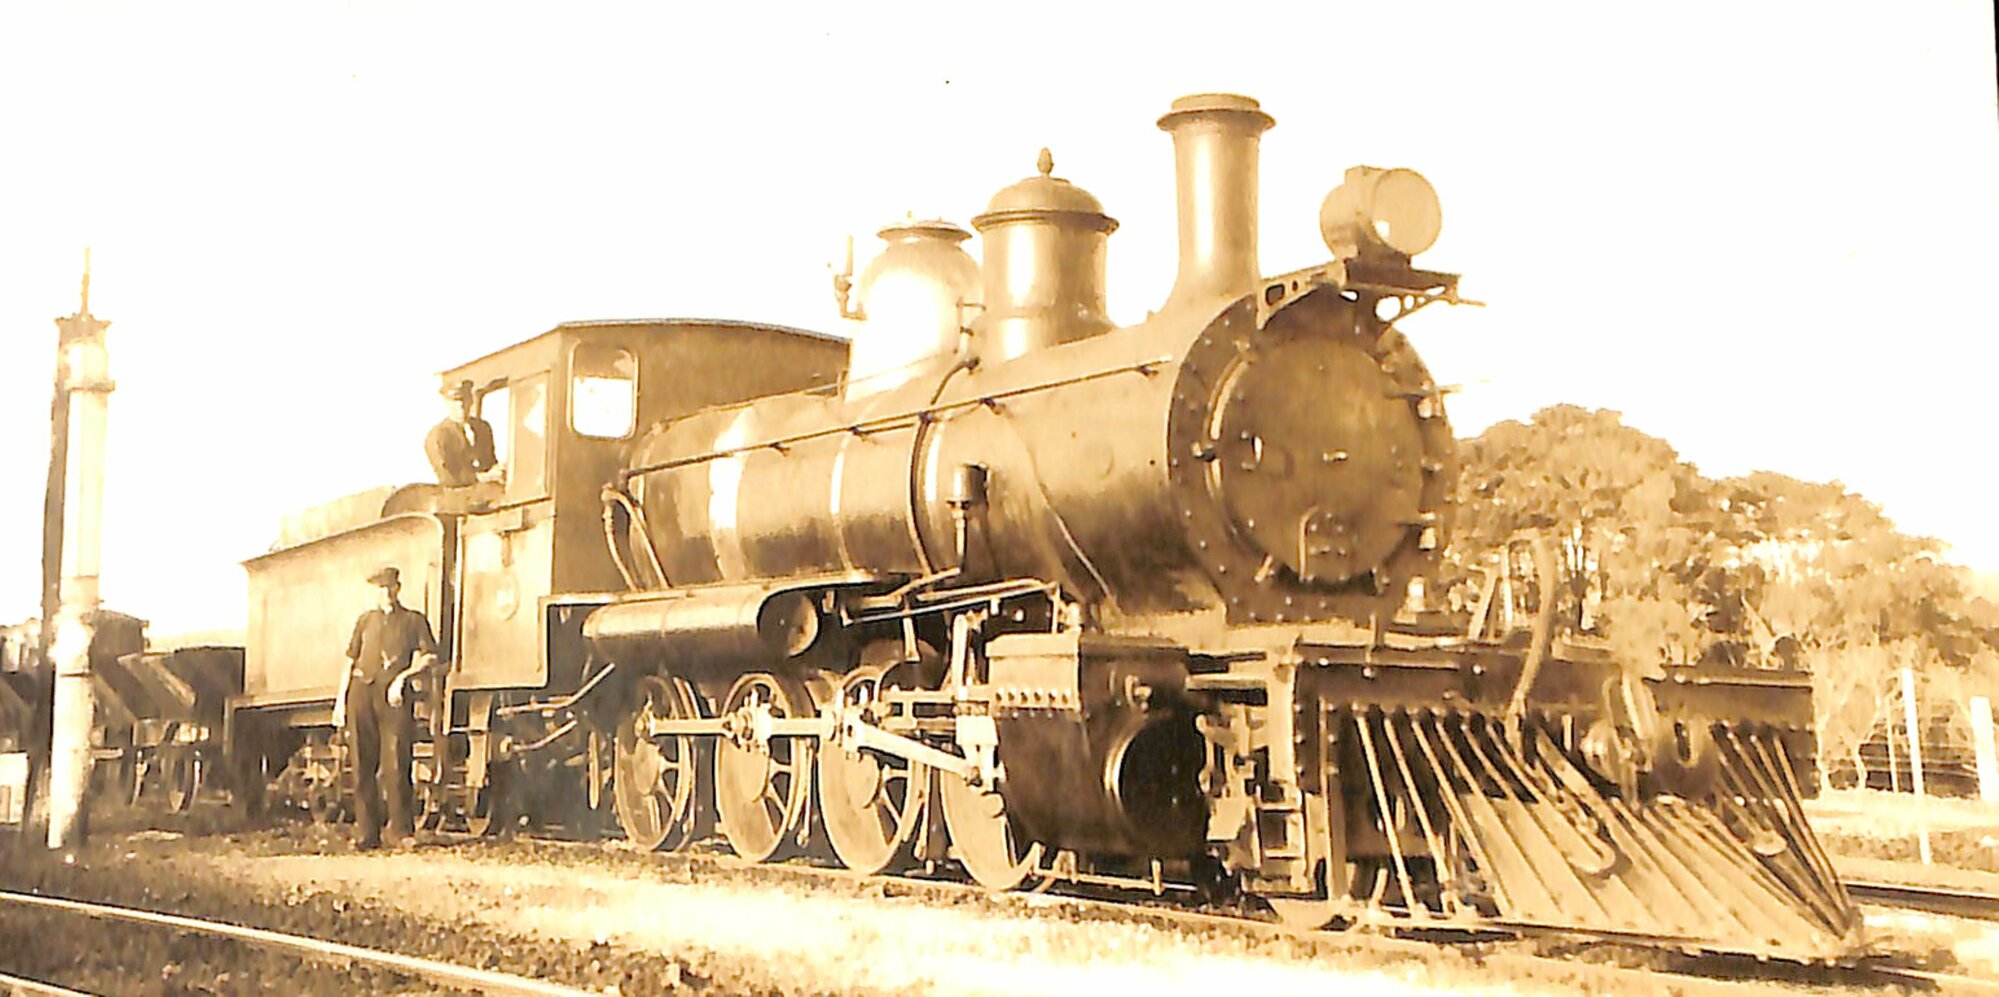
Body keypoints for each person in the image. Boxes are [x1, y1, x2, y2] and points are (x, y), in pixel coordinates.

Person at [332, 566, 441, 849]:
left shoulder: (413, 620)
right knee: (362, 766)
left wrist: (402, 679)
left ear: (398, 588)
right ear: (376, 592)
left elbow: (428, 657)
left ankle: (401, 833)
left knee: (396, 764)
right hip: (361, 695)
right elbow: (349, 662)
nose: (387, 593)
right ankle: (367, 834)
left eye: (391, 587)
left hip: (394, 699)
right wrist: (340, 702)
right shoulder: (365, 621)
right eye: (381, 588)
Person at [424, 379, 497, 488]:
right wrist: (480, 478)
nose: (460, 405)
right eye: (455, 401)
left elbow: (490, 461)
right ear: (446, 403)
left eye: (464, 399)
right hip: (457, 498)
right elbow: (448, 477)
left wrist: (498, 470)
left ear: (471, 400)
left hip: (487, 492)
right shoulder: (438, 435)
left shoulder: (483, 428)